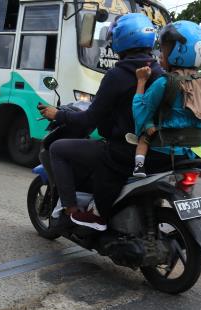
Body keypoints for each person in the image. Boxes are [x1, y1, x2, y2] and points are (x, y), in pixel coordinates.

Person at [37, 13, 162, 231]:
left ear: (121, 40)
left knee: (57, 149)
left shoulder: (118, 74)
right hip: (152, 150)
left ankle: (71, 211)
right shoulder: (160, 72)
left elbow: (88, 120)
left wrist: (57, 115)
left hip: (121, 150)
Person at [132, 21, 201, 179]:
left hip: (162, 155)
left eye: (164, 48)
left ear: (179, 51)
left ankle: (139, 167)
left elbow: (140, 116)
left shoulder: (164, 82)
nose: (160, 53)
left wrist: (141, 82)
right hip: (192, 157)